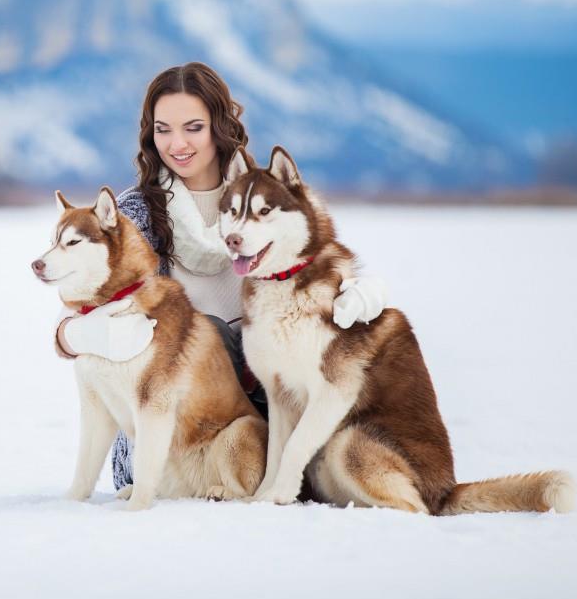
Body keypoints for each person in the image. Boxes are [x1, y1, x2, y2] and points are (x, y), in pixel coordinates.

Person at [53, 62, 388, 492]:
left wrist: (356, 296)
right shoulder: (133, 215)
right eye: (163, 129)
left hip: (263, 426)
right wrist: (78, 334)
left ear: (220, 126)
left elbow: (319, 275)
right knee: (204, 330)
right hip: (168, 440)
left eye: (193, 127)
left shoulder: (267, 199)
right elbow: (73, 318)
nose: (177, 144)